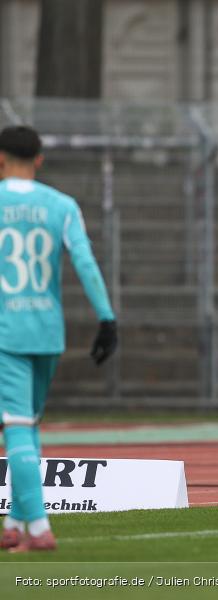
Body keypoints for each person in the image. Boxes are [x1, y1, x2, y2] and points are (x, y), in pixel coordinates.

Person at [0, 125, 118, 552]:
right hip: (47, 330)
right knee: (27, 424)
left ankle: (38, 527)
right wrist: (106, 318)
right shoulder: (62, 205)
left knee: (13, 425)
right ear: (39, 160)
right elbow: (85, 263)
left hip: (6, 331)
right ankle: (14, 523)